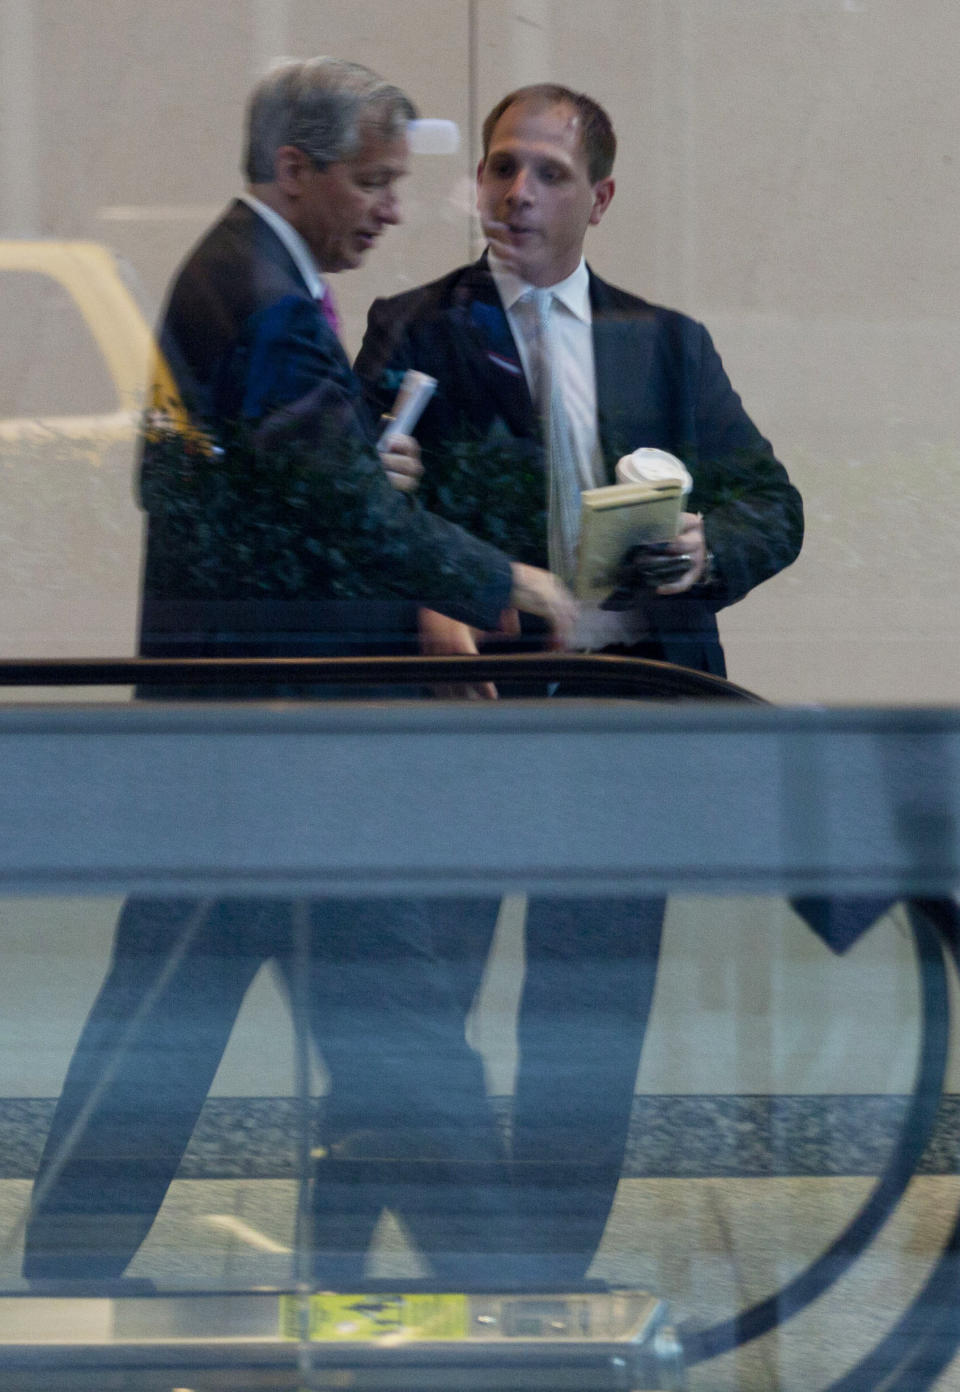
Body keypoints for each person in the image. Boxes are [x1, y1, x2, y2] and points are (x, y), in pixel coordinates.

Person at [22, 59, 574, 1286]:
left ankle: (66, 1271)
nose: (391, 207)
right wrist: (499, 582)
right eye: (373, 182)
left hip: (240, 741)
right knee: (398, 1038)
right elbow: (316, 498)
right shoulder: (267, 295)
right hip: (283, 741)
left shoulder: (247, 274)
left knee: (173, 1025)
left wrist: (351, 487)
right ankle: (497, 1295)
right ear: (294, 168)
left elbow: (229, 490)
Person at [355, 83, 804, 1280]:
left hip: (626, 731)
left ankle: (546, 1292)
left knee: (585, 1034)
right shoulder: (414, 326)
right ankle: (438, 1269)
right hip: (468, 730)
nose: (518, 193)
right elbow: (350, 510)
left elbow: (772, 504)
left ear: (598, 197)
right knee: (418, 1020)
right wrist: (421, 601)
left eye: (549, 174)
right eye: (504, 168)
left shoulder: (666, 343)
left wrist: (713, 548)